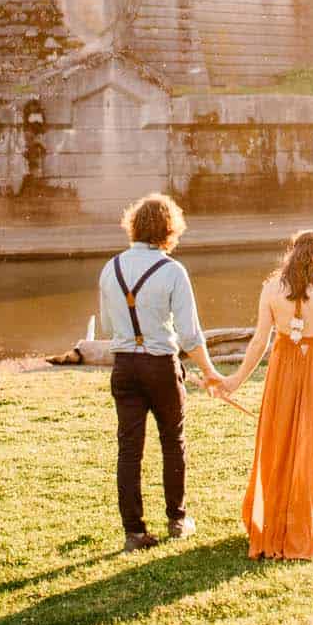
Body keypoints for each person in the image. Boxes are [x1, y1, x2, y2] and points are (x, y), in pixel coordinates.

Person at [98, 192, 225, 553]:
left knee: (129, 450)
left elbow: (108, 324)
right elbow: (189, 334)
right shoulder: (172, 271)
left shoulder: (111, 268)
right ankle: (178, 519)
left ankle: (134, 532)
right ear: (170, 229)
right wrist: (210, 372)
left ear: (134, 225)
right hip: (160, 365)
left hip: (124, 365)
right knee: (173, 442)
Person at [222, 228, 313, 561]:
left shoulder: (271, 288)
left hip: (283, 371)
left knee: (279, 443)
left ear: (292, 252)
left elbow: (259, 342)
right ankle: (308, 524)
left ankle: (273, 525)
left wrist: (236, 379)